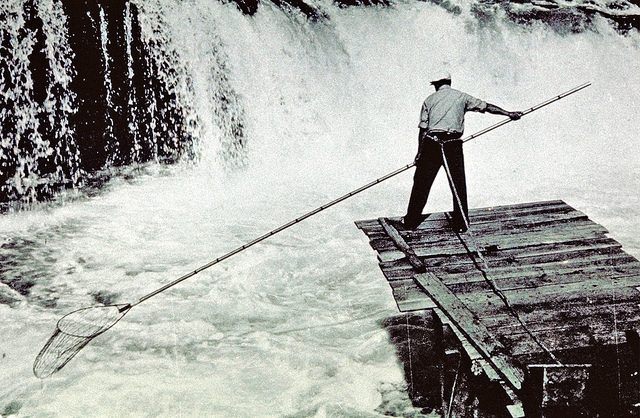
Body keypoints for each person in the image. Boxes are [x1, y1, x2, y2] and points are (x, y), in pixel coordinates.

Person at [403, 71, 522, 232]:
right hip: (453, 144)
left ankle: (410, 221)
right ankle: (461, 224)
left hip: (432, 144)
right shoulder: (462, 97)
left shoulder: (429, 100)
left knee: (421, 183)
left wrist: (419, 153)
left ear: (436, 84)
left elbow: (423, 131)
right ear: (449, 82)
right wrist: (508, 114)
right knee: (458, 183)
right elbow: (486, 107)